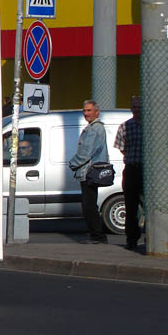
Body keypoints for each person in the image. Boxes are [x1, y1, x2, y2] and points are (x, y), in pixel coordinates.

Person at [68, 99, 109, 243]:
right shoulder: (94, 127)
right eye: (84, 111)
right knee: (90, 203)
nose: (86, 113)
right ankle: (96, 234)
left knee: (88, 205)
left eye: (89, 110)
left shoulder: (94, 129)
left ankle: (97, 235)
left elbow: (86, 152)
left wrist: (73, 163)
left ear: (97, 112)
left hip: (88, 171)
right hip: (89, 171)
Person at [114, 95, 143, 250]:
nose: (137, 110)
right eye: (135, 107)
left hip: (147, 171)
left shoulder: (151, 126)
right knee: (130, 207)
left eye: (140, 107)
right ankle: (131, 239)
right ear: (131, 109)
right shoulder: (125, 126)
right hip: (131, 169)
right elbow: (121, 147)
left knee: (148, 206)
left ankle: (152, 236)